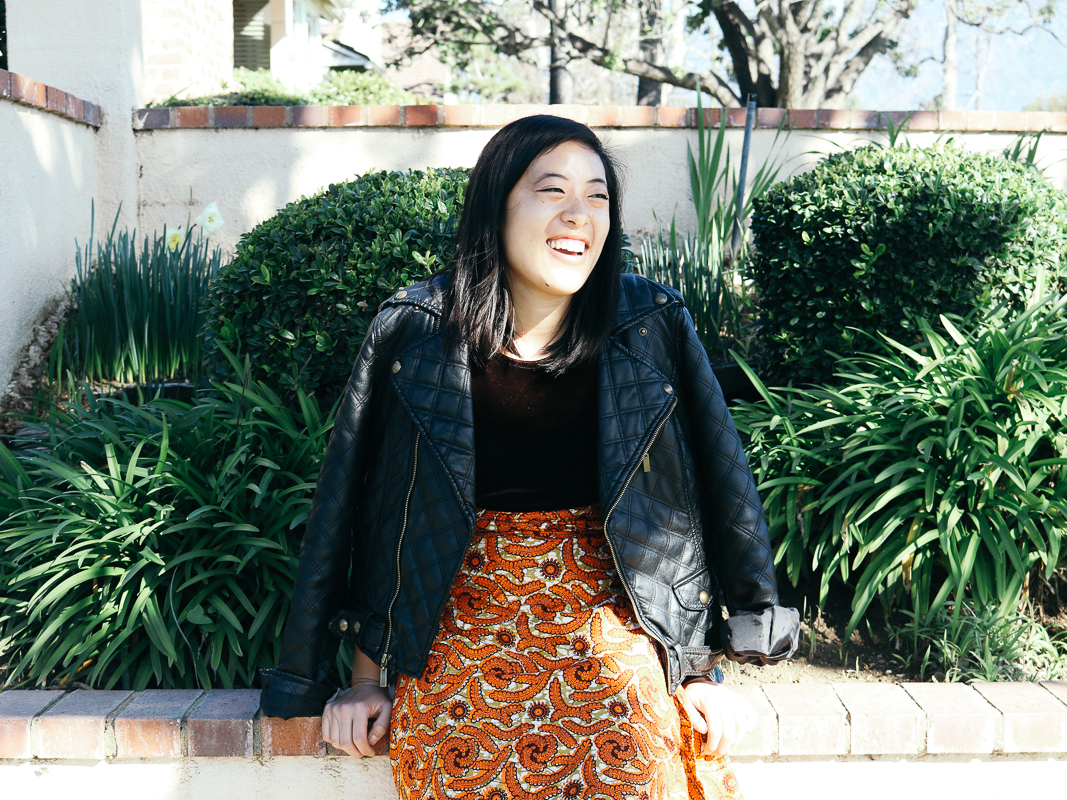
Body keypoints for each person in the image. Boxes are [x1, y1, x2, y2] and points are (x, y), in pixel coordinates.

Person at [260, 115, 799, 800]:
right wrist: (361, 679)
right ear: (496, 205)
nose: (579, 215)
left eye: (598, 196)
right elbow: (370, 511)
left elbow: (722, 487)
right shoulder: (418, 331)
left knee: (634, 754)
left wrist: (702, 670)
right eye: (552, 190)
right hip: (459, 616)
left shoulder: (649, 323)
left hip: (611, 613)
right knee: (452, 765)